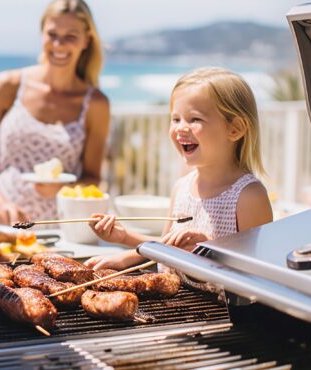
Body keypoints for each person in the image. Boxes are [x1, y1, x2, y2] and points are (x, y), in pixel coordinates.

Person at [85, 67, 273, 270]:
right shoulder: (182, 187)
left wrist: (208, 248)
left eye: (195, 119)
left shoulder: (249, 196)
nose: (180, 128)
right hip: (174, 294)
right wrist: (124, 239)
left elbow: (257, 272)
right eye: (176, 119)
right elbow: (167, 247)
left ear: (235, 129)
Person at [0, 0, 111, 228]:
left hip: (55, 233)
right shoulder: (9, 84)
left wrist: (64, 188)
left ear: (86, 41)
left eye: (70, 37)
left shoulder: (96, 104)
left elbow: (93, 178)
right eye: (52, 34)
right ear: (42, 34)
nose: (59, 44)